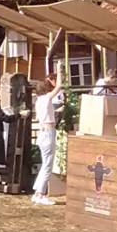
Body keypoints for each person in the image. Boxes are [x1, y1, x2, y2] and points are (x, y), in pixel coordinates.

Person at [32, 75, 65, 206]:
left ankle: (37, 192)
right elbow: (59, 86)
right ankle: (40, 194)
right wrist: (59, 69)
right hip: (48, 132)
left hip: (42, 132)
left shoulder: (38, 101)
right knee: (48, 166)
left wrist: (56, 110)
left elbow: (45, 112)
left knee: (45, 164)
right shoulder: (46, 98)